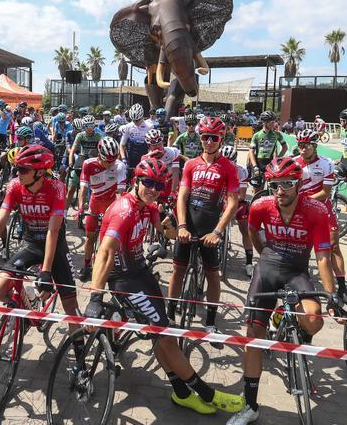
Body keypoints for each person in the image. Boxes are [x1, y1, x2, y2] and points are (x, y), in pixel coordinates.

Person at [85, 157, 244, 416]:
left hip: (140, 270)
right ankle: (206, 392)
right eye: (148, 182)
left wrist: (181, 233)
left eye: (158, 185)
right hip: (121, 277)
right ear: (136, 181)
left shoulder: (148, 207)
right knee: (166, 334)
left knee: (162, 331)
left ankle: (181, 393)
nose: (153, 189)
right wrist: (95, 296)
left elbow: (164, 231)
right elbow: (105, 252)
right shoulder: (123, 210)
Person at [227, 157, 337, 425]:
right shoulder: (261, 205)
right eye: (274, 184)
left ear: (298, 184)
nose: (280, 190)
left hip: (297, 271)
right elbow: (253, 233)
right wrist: (265, 254)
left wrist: (332, 295)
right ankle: (250, 406)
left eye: (287, 184)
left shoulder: (316, 210)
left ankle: (294, 327)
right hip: (267, 269)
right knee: (253, 337)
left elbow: (323, 257)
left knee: (313, 320)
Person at [0, 145, 82, 339]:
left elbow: (53, 231)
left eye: (23, 169)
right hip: (31, 243)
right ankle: (28, 305)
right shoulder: (15, 185)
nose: (18, 173)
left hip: (55, 246)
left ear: (40, 172)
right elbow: (0, 221)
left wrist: (45, 271)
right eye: (17, 168)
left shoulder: (57, 188)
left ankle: (79, 356)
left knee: (71, 307)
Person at [168, 116, 240, 338]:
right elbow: (181, 197)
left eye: (214, 138)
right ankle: (169, 314)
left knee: (213, 275)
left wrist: (218, 231)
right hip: (188, 224)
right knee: (178, 270)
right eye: (205, 137)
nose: (209, 142)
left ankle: (210, 320)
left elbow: (233, 202)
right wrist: (181, 225)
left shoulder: (228, 167)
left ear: (221, 139)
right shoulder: (190, 164)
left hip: (210, 227)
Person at [295, 129, 347, 300]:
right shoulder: (294, 163)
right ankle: (302, 280)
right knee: (301, 247)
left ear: (315, 145)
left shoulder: (326, 164)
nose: (303, 150)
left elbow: (325, 193)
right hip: (301, 211)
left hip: (322, 209)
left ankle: (341, 286)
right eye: (300, 146)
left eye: (307, 146)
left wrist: (304, 201)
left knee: (333, 246)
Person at [76, 137, 126, 281]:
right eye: (108, 161)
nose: (111, 164)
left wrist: (116, 213)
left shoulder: (119, 166)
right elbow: (83, 190)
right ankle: (86, 266)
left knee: (110, 242)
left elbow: (120, 193)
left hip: (111, 205)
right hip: (95, 205)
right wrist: (80, 208)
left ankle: (111, 267)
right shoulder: (88, 164)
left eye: (114, 159)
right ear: (99, 155)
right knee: (90, 238)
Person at [220, 145, 252, 276]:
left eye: (230, 162)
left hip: (236, 200)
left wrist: (231, 207)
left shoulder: (241, 171)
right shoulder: (216, 168)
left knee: (245, 229)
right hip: (221, 199)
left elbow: (242, 196)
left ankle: (249, 262)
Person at [68, 115, 103, 208]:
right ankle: (64, 213)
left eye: (91, 126)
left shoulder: (98, 136)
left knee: (95, 188)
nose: (90, 128)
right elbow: (73, 150)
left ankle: (93, 207)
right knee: (71, 188)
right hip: (82, 158)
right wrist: (70, 163)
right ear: (84, 126)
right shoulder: (80, 135)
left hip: (94, 159)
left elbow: (102, 150)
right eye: (87, 126)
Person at [247, 111, 287, 192]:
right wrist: (255, 166)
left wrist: (277, 159)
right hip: (258, 164)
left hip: (270, 164)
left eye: (275, 121)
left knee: (272, 190)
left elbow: (285, 147)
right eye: (272, 122)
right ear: (265, 122)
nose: (274, 124)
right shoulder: (257, 135)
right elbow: (251, 152)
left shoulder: (277, 134)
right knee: (258, 190)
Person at [119, 104, 154, 177]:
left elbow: (152, 146)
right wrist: (123, 159)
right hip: (131, 159)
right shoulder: (128, 127)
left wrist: (149, 158)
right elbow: (122, 145)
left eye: (137, 120)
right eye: (134, 120)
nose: (136, 122)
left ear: (142, 117)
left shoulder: (150, 126)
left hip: (145, 158)